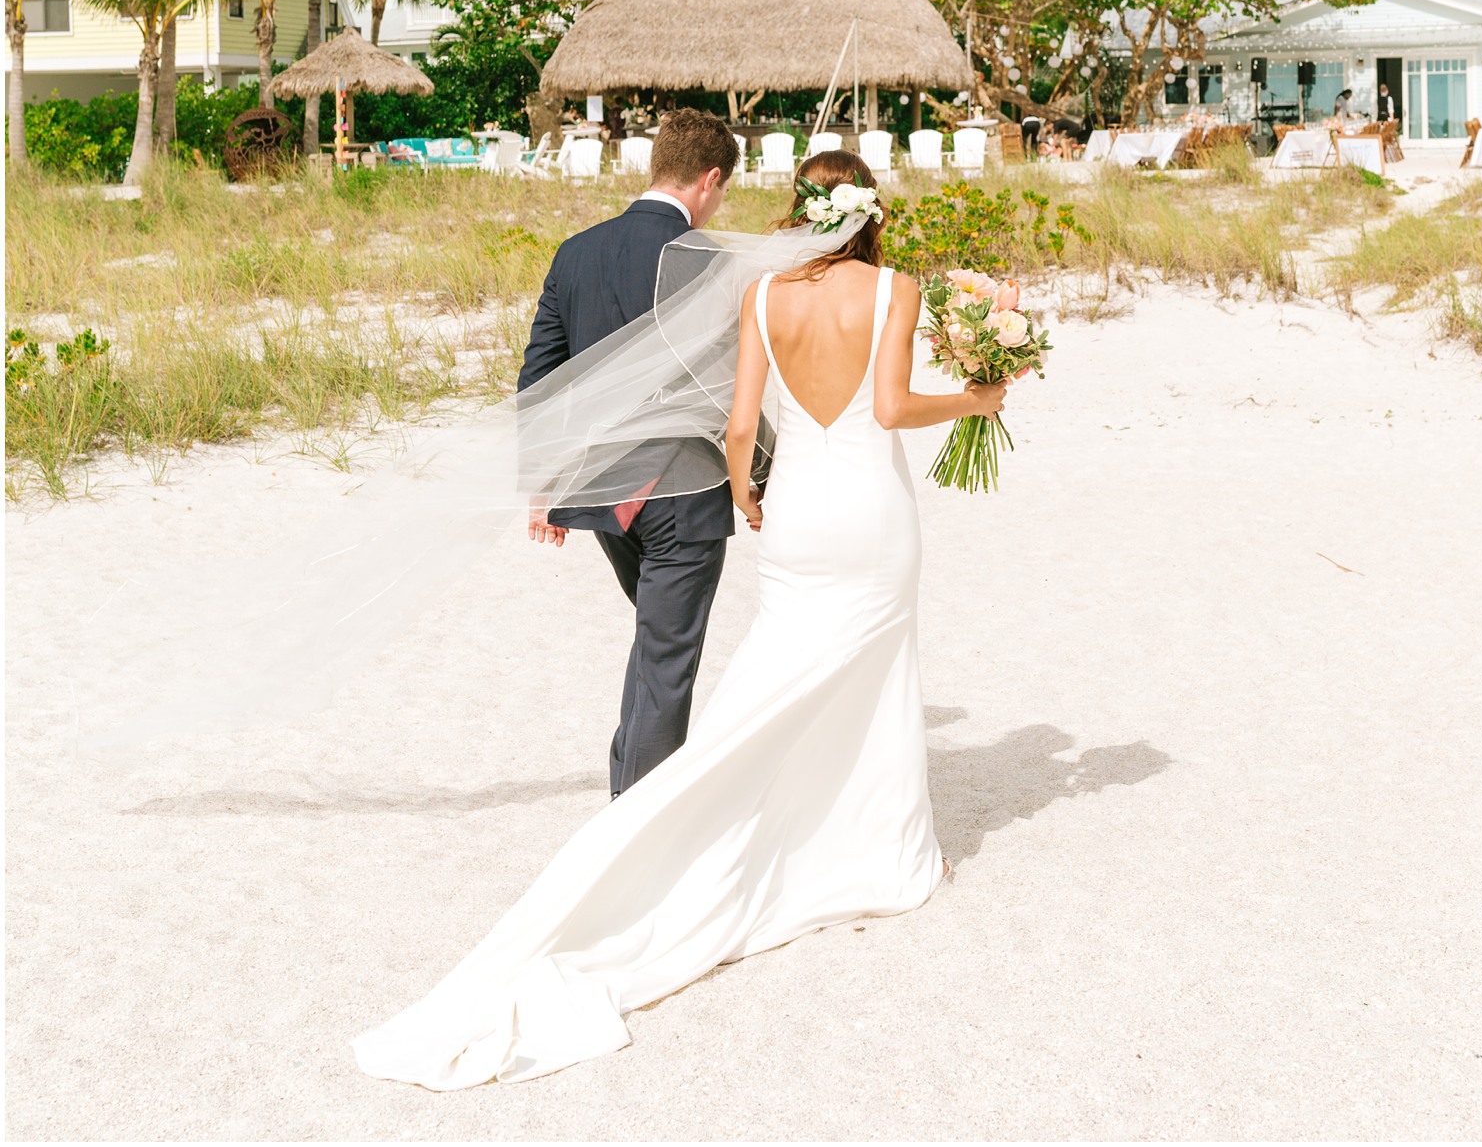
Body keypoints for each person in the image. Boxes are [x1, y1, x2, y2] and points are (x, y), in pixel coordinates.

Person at [353, 151, 1011, 1092]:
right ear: (870, 210)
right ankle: (893, 852)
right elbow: (896, 404)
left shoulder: (762, 294)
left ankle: (675, 818)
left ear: (802, 210)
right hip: (872, 513)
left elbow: (741, 423)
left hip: (795, 520)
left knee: (769, 675)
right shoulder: (898, 285)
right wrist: (977, 399)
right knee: (880, 669)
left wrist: (747, 494)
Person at [517, 106, 740, 799]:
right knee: (667, 658)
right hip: (681, 487)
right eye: (722, 191)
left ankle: (629, 793)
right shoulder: (708, 260)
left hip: (603, 493)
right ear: (709, 179)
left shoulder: (576, 250)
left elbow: (538, 380)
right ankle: (633, 824)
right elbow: (732, 383)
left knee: (655, 647)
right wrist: (755, 475)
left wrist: (545, 482)